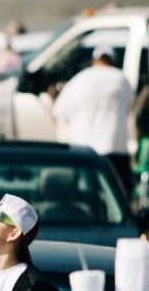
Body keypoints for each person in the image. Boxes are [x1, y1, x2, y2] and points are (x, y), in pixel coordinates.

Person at [52, 45, 135, 195]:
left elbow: (59, 111)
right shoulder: (122, 80)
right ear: (113, 61)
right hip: (115, 147)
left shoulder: (79, 79)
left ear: (94, 60)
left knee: (87, 195)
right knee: (117, 194)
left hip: (84, 149)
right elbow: (129, 108)